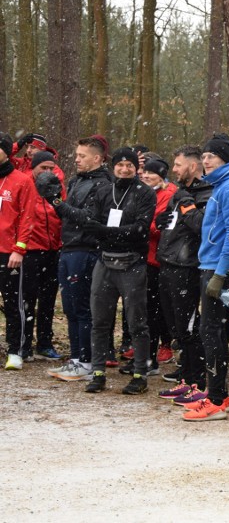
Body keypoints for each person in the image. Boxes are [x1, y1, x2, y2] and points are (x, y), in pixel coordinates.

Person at [73, 148, 156, 395]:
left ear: (136, 168)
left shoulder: (145, 193)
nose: (124, 169)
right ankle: (98, 373)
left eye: (129, 165)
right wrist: (110, 233)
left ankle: (140, 374)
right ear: (113, 167)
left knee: (137, 323)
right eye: (119, 165)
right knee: (99, 321)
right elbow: (89, 224)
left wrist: (107, 232)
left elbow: (141, 229)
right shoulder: (103, 190)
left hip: (133, 264)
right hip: (105, 262)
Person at [180, 133, 229, 421]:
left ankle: (217, 399)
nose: (206, 160)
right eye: (204, 156)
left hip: (218, 267)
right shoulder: (221, 185)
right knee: (212, 331)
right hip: (210, 264)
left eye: (212, 156)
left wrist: (220, 274)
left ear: (225, 158)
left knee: (212, 332)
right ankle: (214, 393)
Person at [39, 135, 112, 381]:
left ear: (97, 158)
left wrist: (57, 203)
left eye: (82, 156)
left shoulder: (102, 184)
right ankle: (76, 359)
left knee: (82, 308)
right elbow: (69, 216)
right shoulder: (76, 181)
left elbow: (88, 218)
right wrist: (57, 203)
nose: (77, 159)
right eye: (77, 155)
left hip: (86, 250)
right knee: (70, 308)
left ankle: (88, 361)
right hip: (68, 247)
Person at [154, 145, 212, 400]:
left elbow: (202, 226)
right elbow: (173, 221)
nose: (174, 169)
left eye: (178, 165)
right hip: (167, 264)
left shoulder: (208, 192)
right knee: (176, 327)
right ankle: (186, 376)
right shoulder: (182, 192)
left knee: (189, 327)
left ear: (191, 165)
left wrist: (187, 207)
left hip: (187, 268)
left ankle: (197, 382)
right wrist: (162, 221)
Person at [18, 152, 64, 362]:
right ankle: (24, 343)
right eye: (43, 168)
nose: (47, 172)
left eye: (50, 168)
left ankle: (44, 343)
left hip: (53, 251)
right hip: (29, 252)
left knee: (48, 300)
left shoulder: (57, 187)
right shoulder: (25, 184)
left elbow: (62, 215)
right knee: (27, 299)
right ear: (33, 167)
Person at [0, 133, 37, 370]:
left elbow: (27, 217)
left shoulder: (22, 181)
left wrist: (19, 249)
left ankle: (16, 350)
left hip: (9, 253)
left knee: (13, 303)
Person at [138, 158, 177, 374]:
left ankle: (161, 348)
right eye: (144, 172)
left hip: (159, 260)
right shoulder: (143, 192)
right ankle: (146, 353)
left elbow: (162, 226)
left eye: (151, 173)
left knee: (158, 310)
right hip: (143, 258)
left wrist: (140, 227)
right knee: (144, 309)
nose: (145, 176)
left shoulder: (169, 194)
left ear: (161, 176)